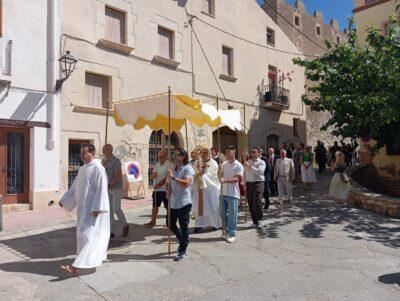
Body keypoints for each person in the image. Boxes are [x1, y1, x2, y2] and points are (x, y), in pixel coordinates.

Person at [59, 144, 110, 275]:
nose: (81, 155)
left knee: (90, 236)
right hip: (83, 209)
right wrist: (65, 201)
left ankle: (77, 266)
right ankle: (86, 260)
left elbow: (102, 189)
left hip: (93, 210)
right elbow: (75, 188)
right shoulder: (83, 169)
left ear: (92, 153)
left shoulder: (99, 169)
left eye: (84, 153)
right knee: (83, 235)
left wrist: (97, 208)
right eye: (81, 153)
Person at [167, 148, 195, 261]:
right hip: (173, 201)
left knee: (184, 226)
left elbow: (186, 183)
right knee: (169, 223)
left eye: (177, 155)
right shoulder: (172, 168)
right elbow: (168, 183)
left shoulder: (188, 168)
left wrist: (173, 177)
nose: (175, 156)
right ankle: (182, 239)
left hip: (184, 202)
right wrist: (167, 189)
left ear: (183, 157)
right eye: (174, 154)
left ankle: (182, 250)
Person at [102, 144, 129, 238]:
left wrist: (110, 184)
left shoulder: (116, 161)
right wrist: (103, 166)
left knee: (116, 208)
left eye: (104, 150)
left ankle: (125, 225)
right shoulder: (103, 161)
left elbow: (118, 175)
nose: (103, 151)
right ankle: (111, 231)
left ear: (110, 150)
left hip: (116, 187)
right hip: (107, 188)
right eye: (103, 150)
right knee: (109, 210)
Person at [192, 148, 221, 233]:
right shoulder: (197, 162)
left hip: (210, 188)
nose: (204, 155)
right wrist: (199, 173)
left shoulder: (213, 163)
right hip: (199, 188)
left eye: (206, 153)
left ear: (209, 154)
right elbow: (194, 173)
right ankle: (199, 225)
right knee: (199, 206)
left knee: (213, 206)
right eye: (202, 153)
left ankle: (215, 224)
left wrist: (203, 176)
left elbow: (213, 175)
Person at [219, 145, 244, 243]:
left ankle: (232, 233)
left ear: (234, 152)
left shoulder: (238, 165)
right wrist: (219, 172)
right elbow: (220, 175)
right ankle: (225, 231)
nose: (227, 153)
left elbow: (237, 179)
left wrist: (224, 180)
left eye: (229, 151)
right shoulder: (224, 164)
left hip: (233, 194)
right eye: (226, 152)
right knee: (222, 214)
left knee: (232, 215)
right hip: (223, 192)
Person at [144, 150, 169, 227]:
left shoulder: (169, 165)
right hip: (157, 190)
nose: (159, 158)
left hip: (166, 189)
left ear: (165, 156)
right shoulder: (157, 164)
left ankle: (169, 222)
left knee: (168, 207)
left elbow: (167, 177)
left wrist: (159, 184)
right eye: (158, 157)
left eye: (160, 157)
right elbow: (152, 175)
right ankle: (153, 221)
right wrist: (152, 176)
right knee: (155, 206)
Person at [244, 147, 266, 229]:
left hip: (258, 183)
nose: (252, 153)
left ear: (258, 153)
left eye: (254, 152)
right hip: (249, 184)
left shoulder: (262, 162)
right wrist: (244, 183)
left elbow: (259, 172)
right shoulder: (248, 162)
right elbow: (245, 173)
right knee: (250, 203)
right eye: (251, 152)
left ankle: (260, 220)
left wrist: (250, 166)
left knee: (257, 202)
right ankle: (255, 222)